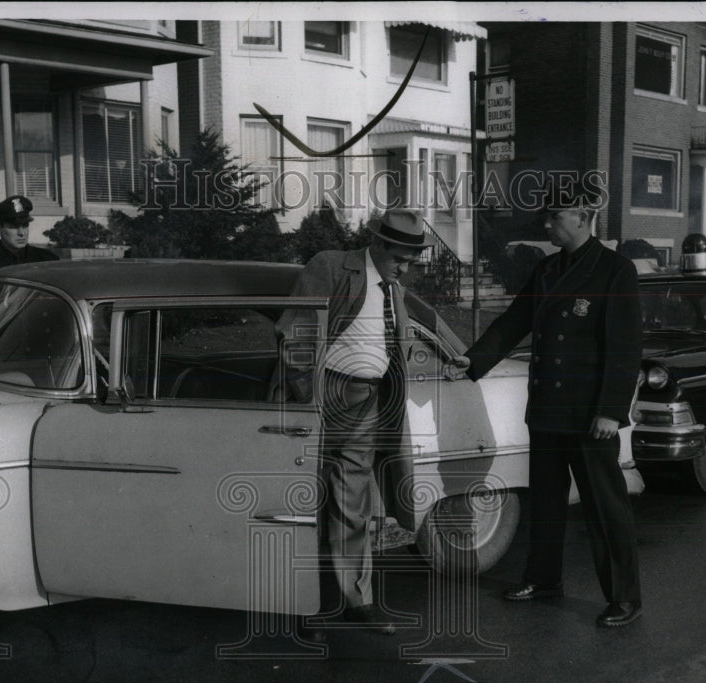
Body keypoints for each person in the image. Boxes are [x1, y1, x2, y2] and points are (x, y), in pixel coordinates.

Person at [445, 185, 644, 627]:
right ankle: (544, 578)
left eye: (555, 215)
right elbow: (515, 320)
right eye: (547, 216)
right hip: (549, 411)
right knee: (547, 503)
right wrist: (473, 359)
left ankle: (625, 597)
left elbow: (624, 348)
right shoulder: (549, 269)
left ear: (584, 215)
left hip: (591, 416)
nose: (547, 223)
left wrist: (611, 410)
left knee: (605, 508)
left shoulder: (614, 270)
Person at [272, 208, 434, 635]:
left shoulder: (392, 287)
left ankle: (355, 602)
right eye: (400, 258)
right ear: (377, 245)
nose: (405, 268)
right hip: (324, 396)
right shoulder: (330, 265)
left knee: (351, 505)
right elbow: (296, 335)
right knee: (302, 501)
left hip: (367, 401)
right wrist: (311, 399)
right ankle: (303, 604)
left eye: (411, 262)